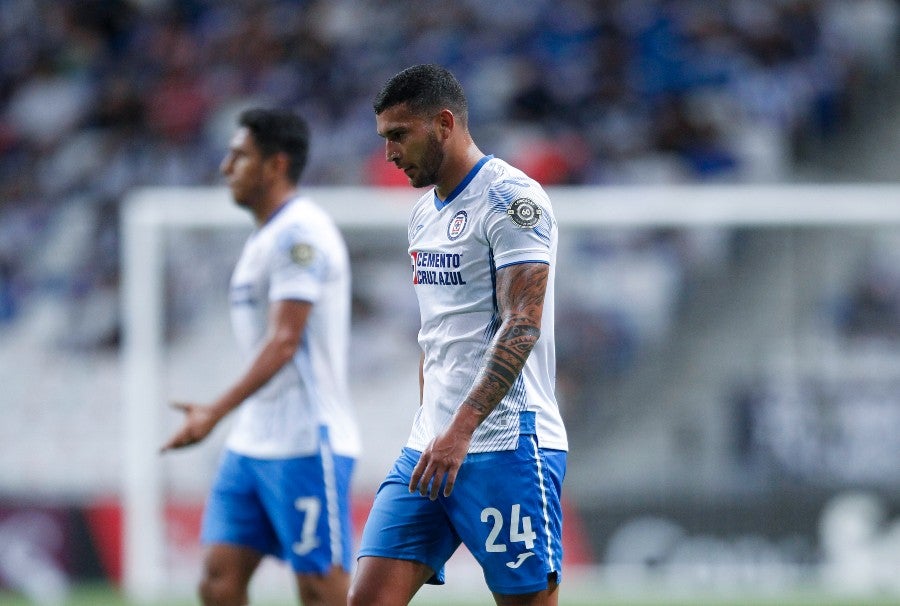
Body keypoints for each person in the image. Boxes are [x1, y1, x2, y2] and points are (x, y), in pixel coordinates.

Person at [349, 64, 568, 606]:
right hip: (431, 445)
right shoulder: (422, 214)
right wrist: (433, 425)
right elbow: (437, 334)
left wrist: (461, 431)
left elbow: (522, 323)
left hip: (506, 445)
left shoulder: (513, 200)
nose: (390, 153)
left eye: (399, 135)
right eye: (384, 138)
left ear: (443, 123)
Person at [161, 108, 360, 606]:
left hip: (305, 439)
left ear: (275, 165)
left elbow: (284, 341)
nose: (226, 166)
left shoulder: (300, 235)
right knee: (218, 580)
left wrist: (214, 410)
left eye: (239, 155)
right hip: (253, 441)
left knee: (319, 589)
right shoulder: (264, 238)